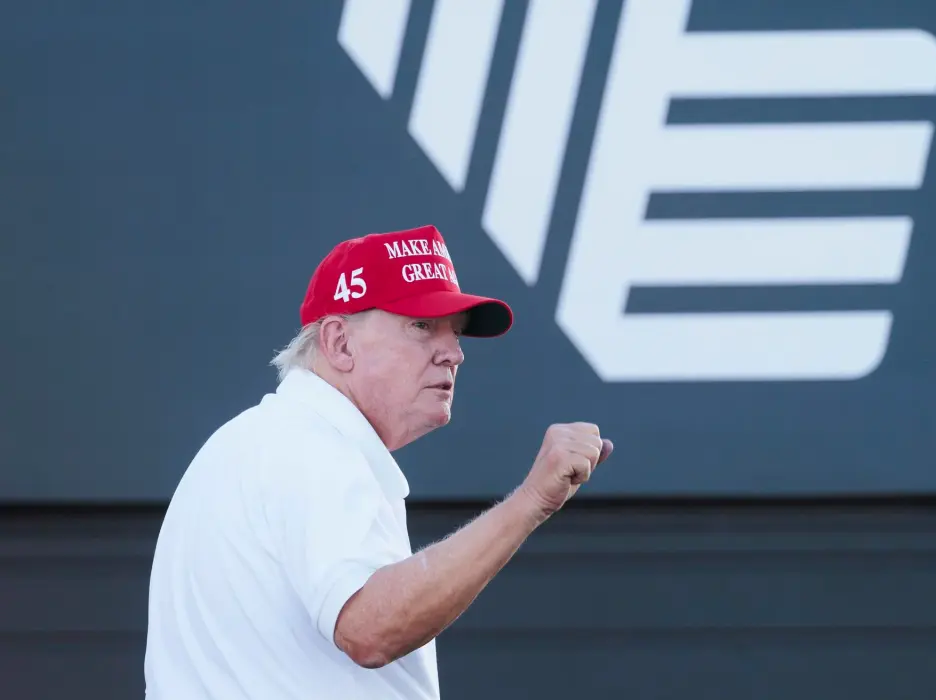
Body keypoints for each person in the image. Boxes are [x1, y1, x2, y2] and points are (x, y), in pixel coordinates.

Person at [143, 224, 614, 699]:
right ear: (339, 344)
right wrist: (532, 499)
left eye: (455, 333)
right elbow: (370, 628)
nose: (453, 353)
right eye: (421, 326)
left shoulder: (269, 440)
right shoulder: (307, 445)